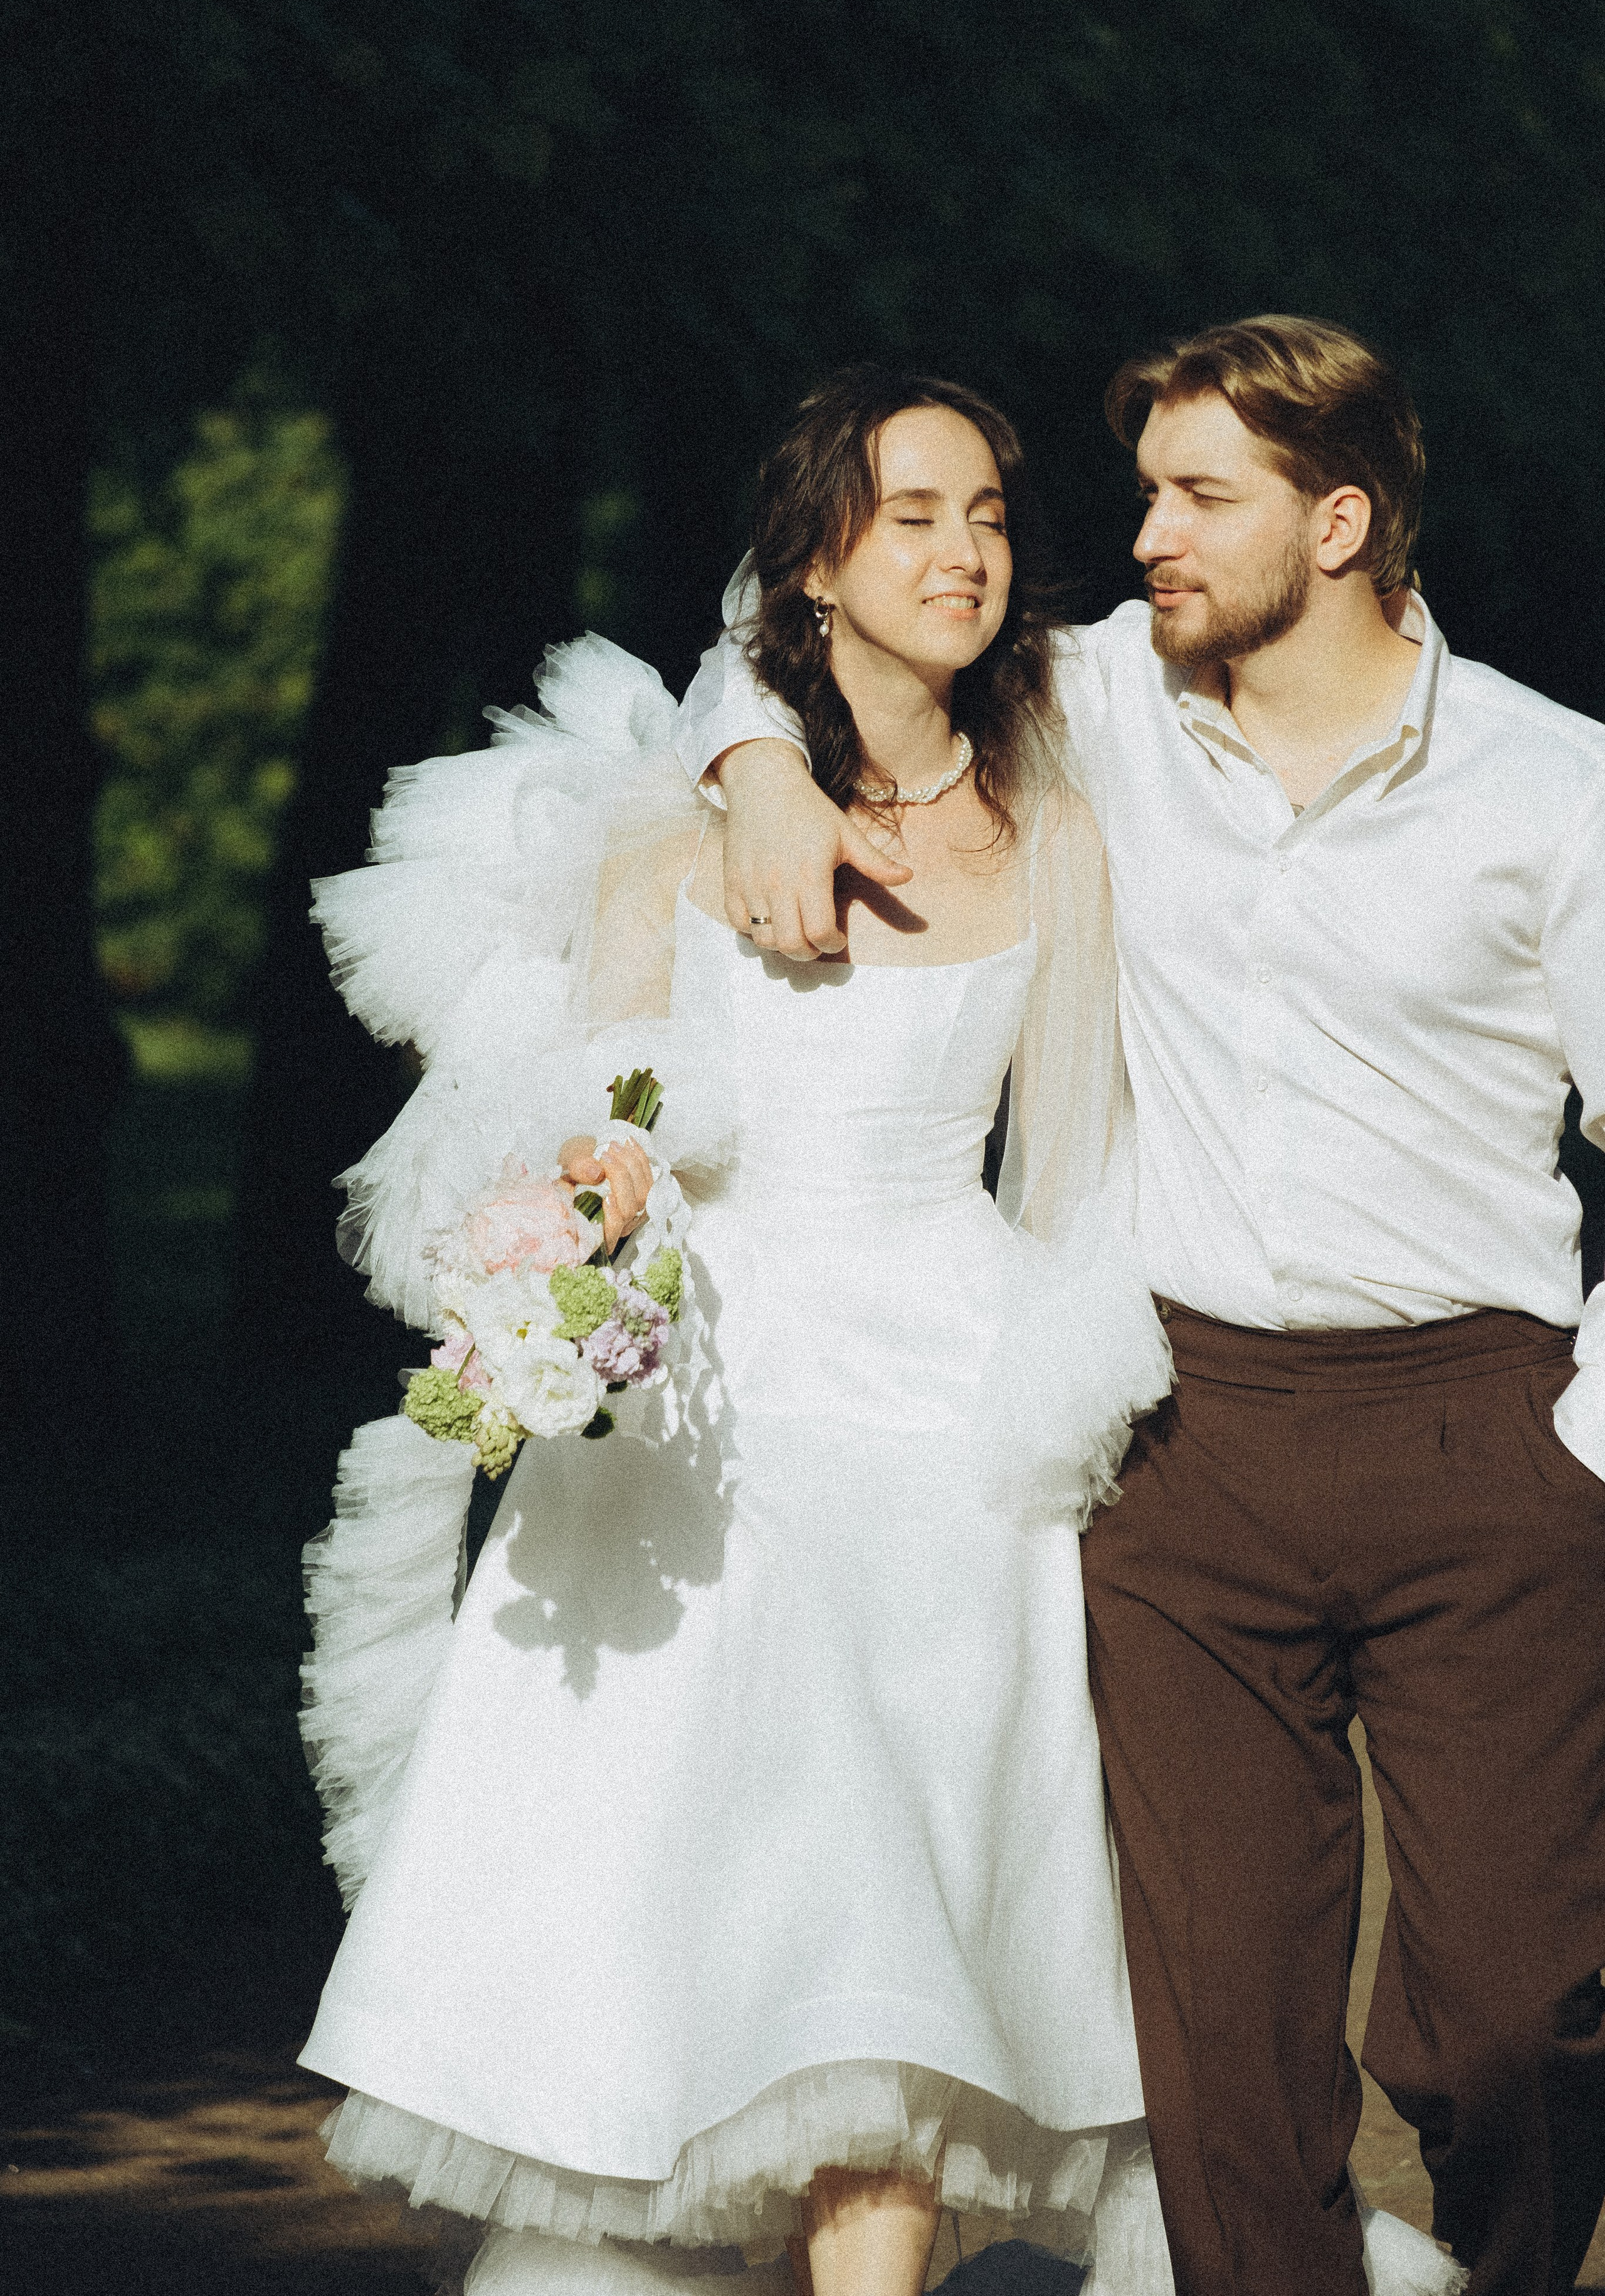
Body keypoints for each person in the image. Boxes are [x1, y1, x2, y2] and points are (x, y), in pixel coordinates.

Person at [678, 317, 1605, 2296]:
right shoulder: (1090, 698)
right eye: (1147, 490)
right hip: (1187, 1443)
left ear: (1338, 520)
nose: (1146, 535)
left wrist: (1581, 1446)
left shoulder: (1558, 787)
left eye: (1200, 497)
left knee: (1525, 2015)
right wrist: (754, 765)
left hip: (1484, 1427)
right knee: (1226, 2048)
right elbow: (798, 620)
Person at [298, 370, 1187, 2296]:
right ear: (815, 558)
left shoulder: (1054, 831)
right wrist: (576, 1268)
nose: (964, 555)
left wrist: (1073, 1414)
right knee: (720, 1899)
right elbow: (613, 1124)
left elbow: (1083, 1168)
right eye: (914, 516)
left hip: (953, 1420)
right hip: (715, 1413)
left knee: (907, 1926)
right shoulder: (678, 836)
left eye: (990, 518)